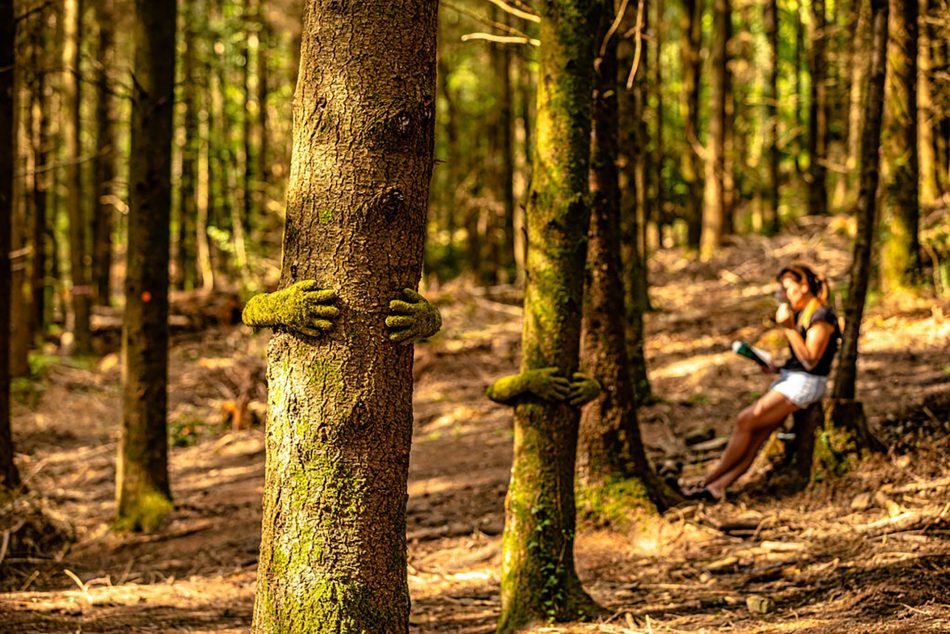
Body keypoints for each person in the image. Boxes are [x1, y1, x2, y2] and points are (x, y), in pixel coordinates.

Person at [684, 262, 841, 502]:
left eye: (788, 288)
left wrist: (788, 329)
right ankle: (718, 486)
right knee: (757, 434)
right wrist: (775, 366)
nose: (785, 295)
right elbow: (800, 359)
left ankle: (706, 480)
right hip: (792, 378)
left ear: (804, 286)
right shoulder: (803, 314)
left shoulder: (821, 316)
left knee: (745, 420)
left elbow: (810, 361)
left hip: (806, 384)